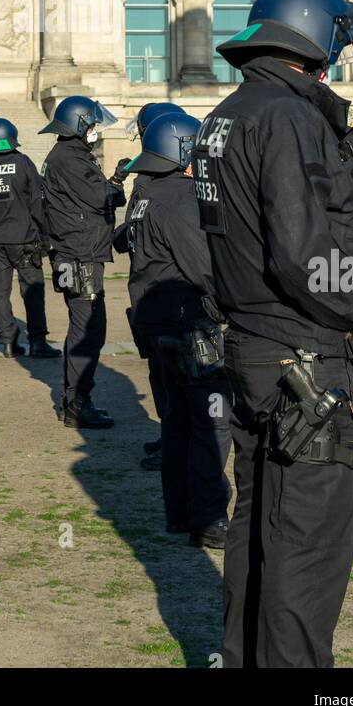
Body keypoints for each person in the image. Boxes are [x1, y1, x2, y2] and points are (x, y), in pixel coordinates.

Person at [192, 0, 353, 668]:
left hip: (256, 352)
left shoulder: (226, 114)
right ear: (316, 39)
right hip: (307, 361)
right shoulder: (290, 119)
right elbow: (303, 254)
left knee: (256, 538)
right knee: (306, 557)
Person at [118, 112, 232, 549]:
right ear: (182, 150)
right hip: (190, 326)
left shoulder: (145, 191)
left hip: (156, 321)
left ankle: (181, 515)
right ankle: (207, 518)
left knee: (178, 424)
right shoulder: (181, 197)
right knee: (212, 424)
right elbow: (204, 268)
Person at [40, 95, 126, 428]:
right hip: (80, 255)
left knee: (84, 327)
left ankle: (76, 399)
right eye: (91, 125)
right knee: (87, 331)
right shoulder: (70, 159)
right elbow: (101, 197)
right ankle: (77, 402)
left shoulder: (67, 155)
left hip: (74, 252)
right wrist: (116, 184)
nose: (94, 130)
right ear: (78, 125)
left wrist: (112, 183)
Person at [118, 101, 191, 469]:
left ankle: (171, 437)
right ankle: (172, 438)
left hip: (148, 292)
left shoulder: (149, 180)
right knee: (168, 376)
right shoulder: (161, 183)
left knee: (165, 375)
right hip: (162, 294)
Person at [0, 117, 59, 359]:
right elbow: (38, 204)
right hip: (25, 239)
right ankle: (37, 341)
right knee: (33, 291)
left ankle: (8, 341)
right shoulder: (24, 163)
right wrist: (44, 235)